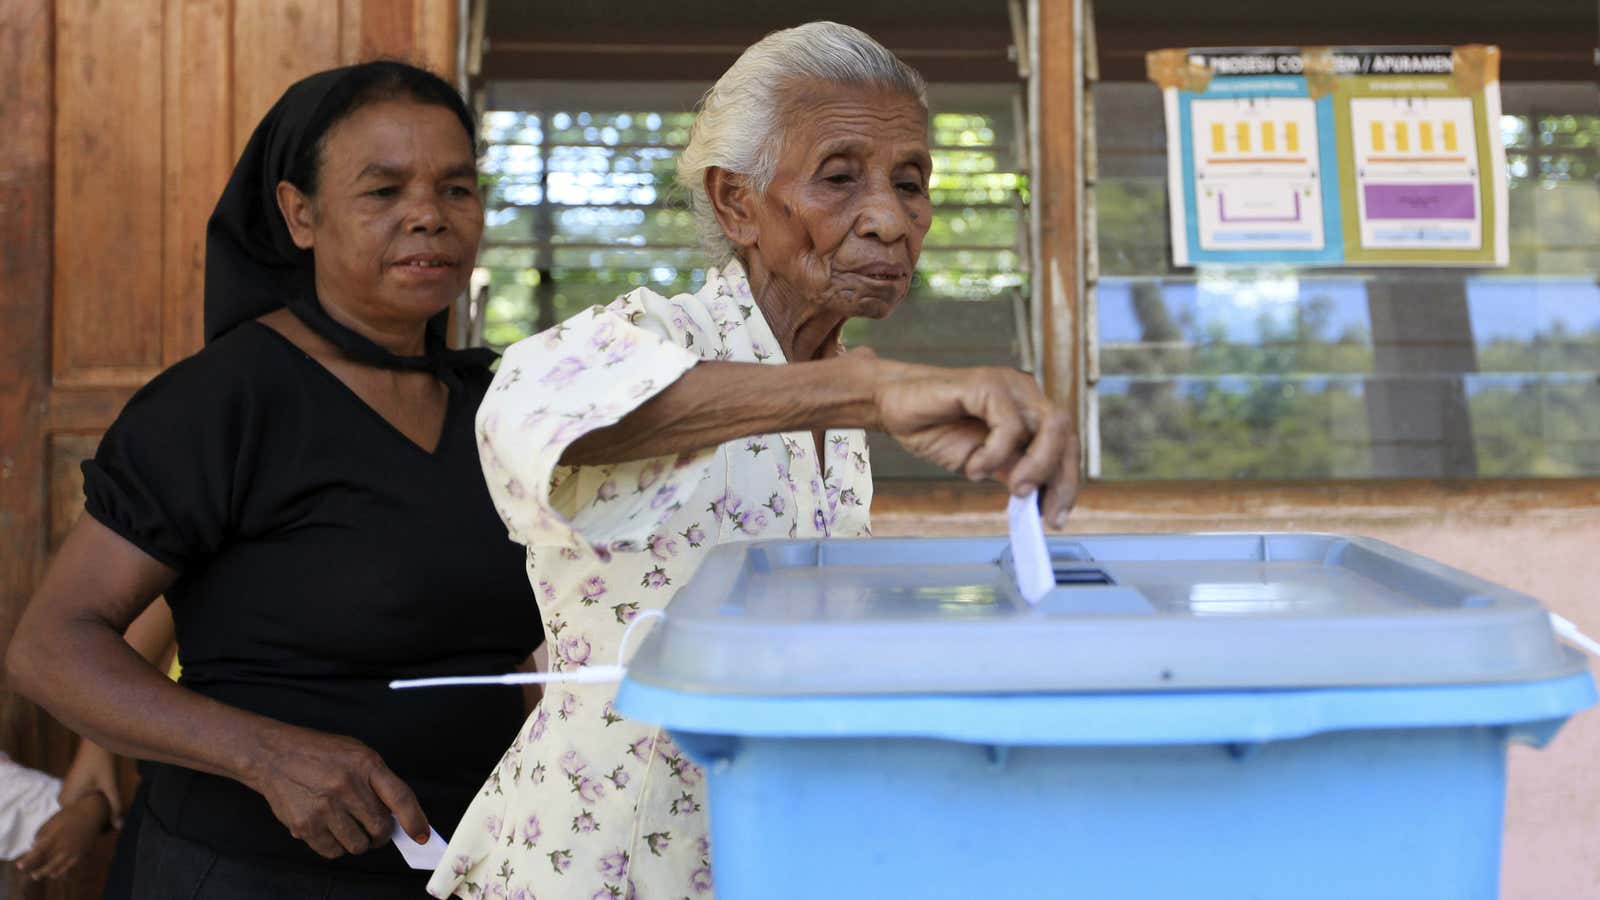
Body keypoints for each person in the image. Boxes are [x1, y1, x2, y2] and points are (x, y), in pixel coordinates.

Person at [430, 22, 1078, 900]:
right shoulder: (655, 336)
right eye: (840, 177)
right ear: (736, 203)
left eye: (911, 183)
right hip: (605, 862)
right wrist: (872, 394)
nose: (890, 220)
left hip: (762, 844)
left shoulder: (834, 399)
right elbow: (539, 412)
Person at [7, 61, 542, 898]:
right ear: (300, 214)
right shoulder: (227, 400)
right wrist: (267, 754)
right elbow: (50, 648)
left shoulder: (497, 405)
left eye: (457, 188)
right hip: (249, 870)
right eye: (383, 191)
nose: (429, 217)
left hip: (465, 865)